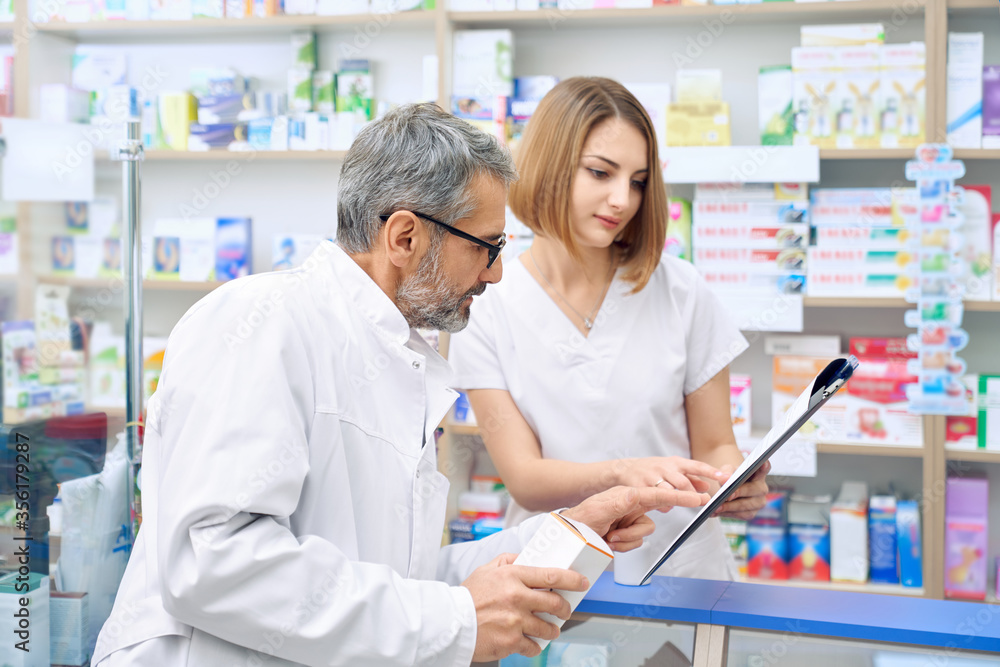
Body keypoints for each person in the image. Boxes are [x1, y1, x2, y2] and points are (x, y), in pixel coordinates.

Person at [92, 103, 710, 667]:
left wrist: (569, 531)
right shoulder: (263, 321)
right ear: (405, 236)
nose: (495, 275)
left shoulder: (397, 356)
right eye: (487, 248)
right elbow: (213, 562)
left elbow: (400, 579)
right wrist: (457, 622)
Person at [448, 78, 768, 581]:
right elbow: (525, 479)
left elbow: (715, 446)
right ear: (548, 167)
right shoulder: (488, 301)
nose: (622, 199)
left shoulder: (681, 290)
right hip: (557, 572)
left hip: (682, 569)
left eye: (638, 181)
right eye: (601, 172)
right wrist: (623, 476)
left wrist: (734, 480)